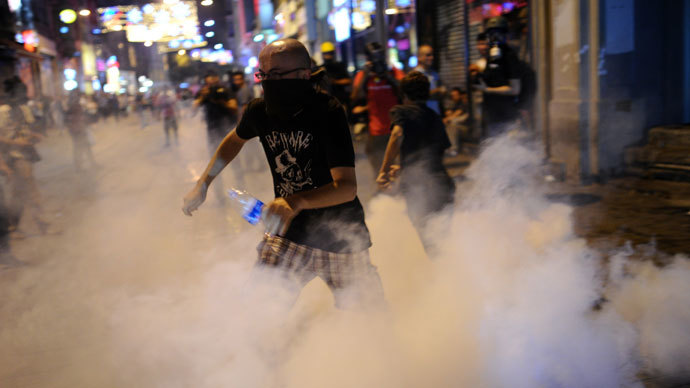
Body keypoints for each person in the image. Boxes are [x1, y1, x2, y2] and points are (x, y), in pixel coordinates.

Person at [183, 38, 385, 310]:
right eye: (263, 75)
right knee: (258, 314)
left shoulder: (327, 111)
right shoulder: (259, 111)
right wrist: (204, 183)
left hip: (342, 237)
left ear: (304, 74)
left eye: (277, 74)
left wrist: (294, 201)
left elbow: (346, 187)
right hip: (288, 233)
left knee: (370, 321)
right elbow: (233, 141)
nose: (268, 82)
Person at [377, 71, 455, 255]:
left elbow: (397, 134)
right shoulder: (435, 117)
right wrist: (405, 167)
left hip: (419, 187)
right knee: (440, 242)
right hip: (443, 185)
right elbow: (435, 156)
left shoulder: (401, 111)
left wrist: (384, 170)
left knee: (428, 241)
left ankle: (442, 280)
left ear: (403, 95)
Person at [351, 42, 405, 178]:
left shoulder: (393, 71)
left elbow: (405, 91)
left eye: (380, 57)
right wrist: (365, 76)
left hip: (396, 127)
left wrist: (388, 77)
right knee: (378, 164)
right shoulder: (364, 75)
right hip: (376, 130)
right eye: (374, 57)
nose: (377, 61)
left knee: (400, 165)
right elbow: (355, 96)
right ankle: (384, 190)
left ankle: (402, 190)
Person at [474, 17, 521, 138]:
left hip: (505, 115)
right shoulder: (491, 57)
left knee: (504, 150)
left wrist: (487, 90)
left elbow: (515, 89)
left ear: (505, 35)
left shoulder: (510, 56)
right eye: (491, 34)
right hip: (490, 114)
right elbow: (491, 79)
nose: (495, 37)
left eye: (498, 33)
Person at [194, 70, 238, 153]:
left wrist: (222, 102)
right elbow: (193, 110)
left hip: (227, 127)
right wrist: (202, 97)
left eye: (214, 83)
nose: (212, 86)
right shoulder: (204, 93)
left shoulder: (225, 91)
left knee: (230, 152)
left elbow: (234, 107)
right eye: (209, 84)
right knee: (214, 153)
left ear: (217, 79)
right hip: (212, 129)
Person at [64, 91, 98, 170]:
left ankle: (84, 165)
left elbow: (70, 120)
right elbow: (79, 118)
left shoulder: (71, 106)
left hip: (77, 130)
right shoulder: (75, 106)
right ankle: (80, 166)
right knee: (80, 148)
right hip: (78, 131)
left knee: (82, 148)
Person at [414, 44, 446, 114]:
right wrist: (438, 90)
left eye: (432, 55)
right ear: (419, 57)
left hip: (435, 113)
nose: (431, 57)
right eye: (428, 55)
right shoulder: (415, 74)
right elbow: (417, 96)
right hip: (422, 115)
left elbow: (440, 95)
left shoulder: (435, 74)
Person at [319, 41, 351, 107]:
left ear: (333, 54)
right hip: (326, 101)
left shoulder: (340, 66)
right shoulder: (320, 68)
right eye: (326, 54)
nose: (328, 56)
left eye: (329, 53)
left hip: (340, 99)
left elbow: (348, 80)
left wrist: (335, 82)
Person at [443, 87, 469, 155]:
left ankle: (453, 149)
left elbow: (458, 113)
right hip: (457, 124)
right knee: (448, 125)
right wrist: (449, 115)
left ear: (460, 95)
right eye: (452, 95)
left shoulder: (463, 103)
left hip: (464, 126)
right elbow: (448, 112)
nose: (453, 97)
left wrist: (448, 118)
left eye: (455, 95)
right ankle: (447, 147)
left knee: (452, 125)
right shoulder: (453, 103)